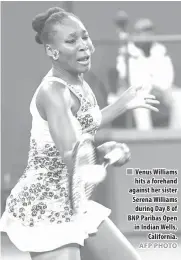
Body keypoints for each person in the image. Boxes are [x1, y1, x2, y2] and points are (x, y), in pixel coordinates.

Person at [0, 7, 159, 260]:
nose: (84, 45)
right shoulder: (53, 92)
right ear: (52, 51)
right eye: (72, 40)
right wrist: (89, 161)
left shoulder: (80, 83)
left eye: (85, 37)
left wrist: (124, 105)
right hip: (45, 207)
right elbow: (69, 149)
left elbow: (86, 124)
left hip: (74, 203)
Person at [115, 18, 174, 129]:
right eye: (143, 30)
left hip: (161, 89)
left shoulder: (160, 49)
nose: (147, 34)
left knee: (179, 97)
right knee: (140, 102)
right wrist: (149, 88)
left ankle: (175, 137)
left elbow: (167, 73)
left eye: (150, 30)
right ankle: (146, 138)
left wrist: (163, 88)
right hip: (138, 92)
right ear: (136, 33)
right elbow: (126, 78)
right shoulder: (127, 51)